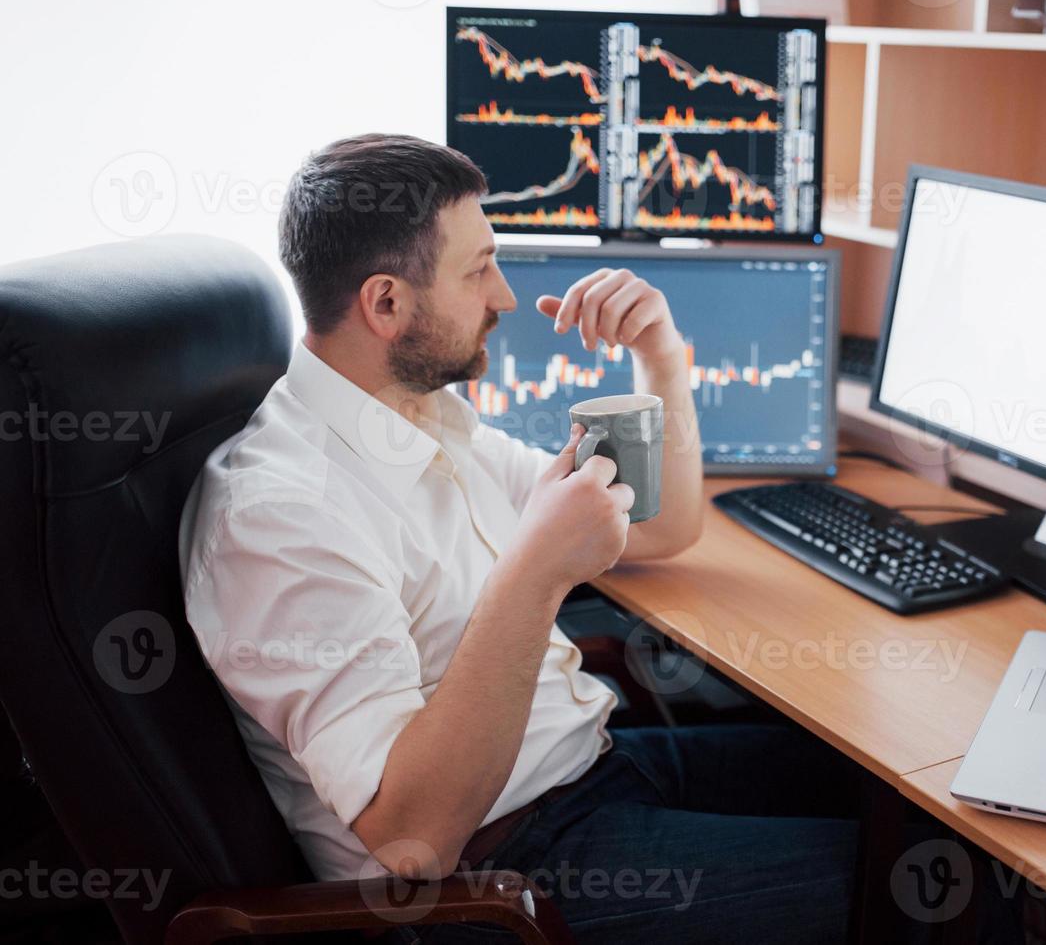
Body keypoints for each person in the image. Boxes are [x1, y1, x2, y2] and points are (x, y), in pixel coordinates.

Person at [179, 134, 864, 943]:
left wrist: (660, 357)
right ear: (387, 303)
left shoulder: (421, 416)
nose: (503, 295)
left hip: (589, 772)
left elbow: (662, 527)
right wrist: (537, 569)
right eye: (478, 270)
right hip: (499, 877)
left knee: (895, 802)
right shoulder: (280, 516)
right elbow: (416, 838)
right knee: (929, 885)